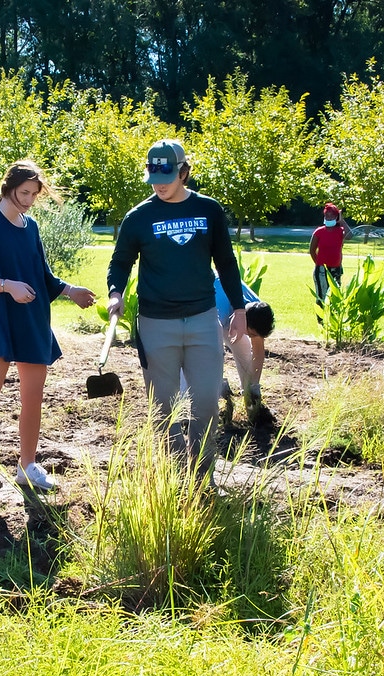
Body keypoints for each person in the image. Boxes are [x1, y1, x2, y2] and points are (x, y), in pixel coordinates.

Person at [0, 160, 96, 507]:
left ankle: (27, 466)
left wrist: (71, 290)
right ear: (8, 186)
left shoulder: (31, 226)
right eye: (24, 193)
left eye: (33, 195)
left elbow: (43, 274)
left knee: (33, 400)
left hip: (33, 321)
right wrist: (8, 286)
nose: (28, 200)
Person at [106, 139, 247, 476]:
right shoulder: (138, 218)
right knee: (164, 408)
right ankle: (176, 474)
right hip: (156, 325)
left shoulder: (208, 210)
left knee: (206, 405)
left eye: (166, 176)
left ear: (184, 171)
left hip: (201, 320)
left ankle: (202, 475)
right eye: (154, 176)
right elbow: (120, 263)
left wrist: (239, 309)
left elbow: (226, 263)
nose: (159, 184)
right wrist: (115, 292)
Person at [213, 277, 275, 426]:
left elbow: (258, 352)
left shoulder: (258, 312)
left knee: (244, 350)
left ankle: (247, 395)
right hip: (212, 310)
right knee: (213, 356)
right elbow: (213, 353)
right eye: (251, 334)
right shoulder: (219, 312)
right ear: (244, 321)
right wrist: (218, 382)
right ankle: (217, 397)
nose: (253, 337)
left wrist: (254, 386)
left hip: (235, 315)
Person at [309, 203, 354, 312]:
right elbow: (312, 250)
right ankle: (321, 321)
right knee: (322, 295)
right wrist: (319, 264)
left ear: (336, 217)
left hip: (336, 269)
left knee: (335, 295)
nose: (329, 217)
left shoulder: (340, 231)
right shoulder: (319, 231)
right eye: (327, 215)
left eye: (332, 215)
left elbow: (350, 235)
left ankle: (333, 319)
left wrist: (342, 220)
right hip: (322, 270)